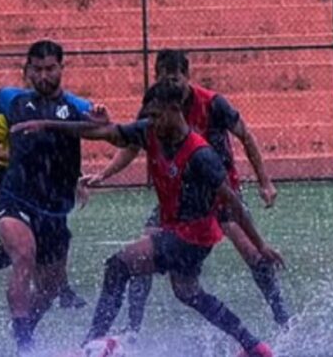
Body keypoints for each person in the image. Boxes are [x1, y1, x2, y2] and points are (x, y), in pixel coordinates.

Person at [12, 81, 281, 357]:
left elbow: (233, 203)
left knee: (118, 266)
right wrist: (47, 124)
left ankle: (90, 345)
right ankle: (254, 347)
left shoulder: (201, 155)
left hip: (192, 236)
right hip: (180, 232)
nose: (150, 122)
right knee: (188, 293)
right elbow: (105, 131)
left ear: (175, 110)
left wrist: (259, 245)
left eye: (156, 115)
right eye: (148, 116)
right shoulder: (150, 131)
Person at [81, 50, 290, 336]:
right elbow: (131, 144)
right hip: (180, 198)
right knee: (145, 252)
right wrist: (105, 173)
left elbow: (246, 135)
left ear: (187, 77)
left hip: (220, 192)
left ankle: (283, 320)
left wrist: (265, 182)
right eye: (165, 77)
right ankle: (133, 330)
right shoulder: (156, 106)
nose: (172, 83)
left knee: (253, 253)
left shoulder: (213, 103)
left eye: (176, 78)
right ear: (157, 78)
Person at [0, 31, 100, 352]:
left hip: (55, 209)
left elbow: (108, 131)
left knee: (50, 287)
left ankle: (25, 328)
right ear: (28, 71)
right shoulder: (12, 99)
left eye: (50, 68)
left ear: (61, 68)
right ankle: (24, 344)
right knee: (23, 255)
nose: (44, 75)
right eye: (37, 69)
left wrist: (102, 122)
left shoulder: (76, 106)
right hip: (16, 199)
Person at [0, 65, 87, 310]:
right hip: (16, 181)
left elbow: (58, 150)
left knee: (45, 237)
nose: (42, 80)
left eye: (48, 73)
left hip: (47, 184)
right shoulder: (9, 110)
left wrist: (76, 177)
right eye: (35, 75)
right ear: (26, 78)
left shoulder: (55, 110)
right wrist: (19, 155)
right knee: (24, 244)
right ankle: (61, 290)